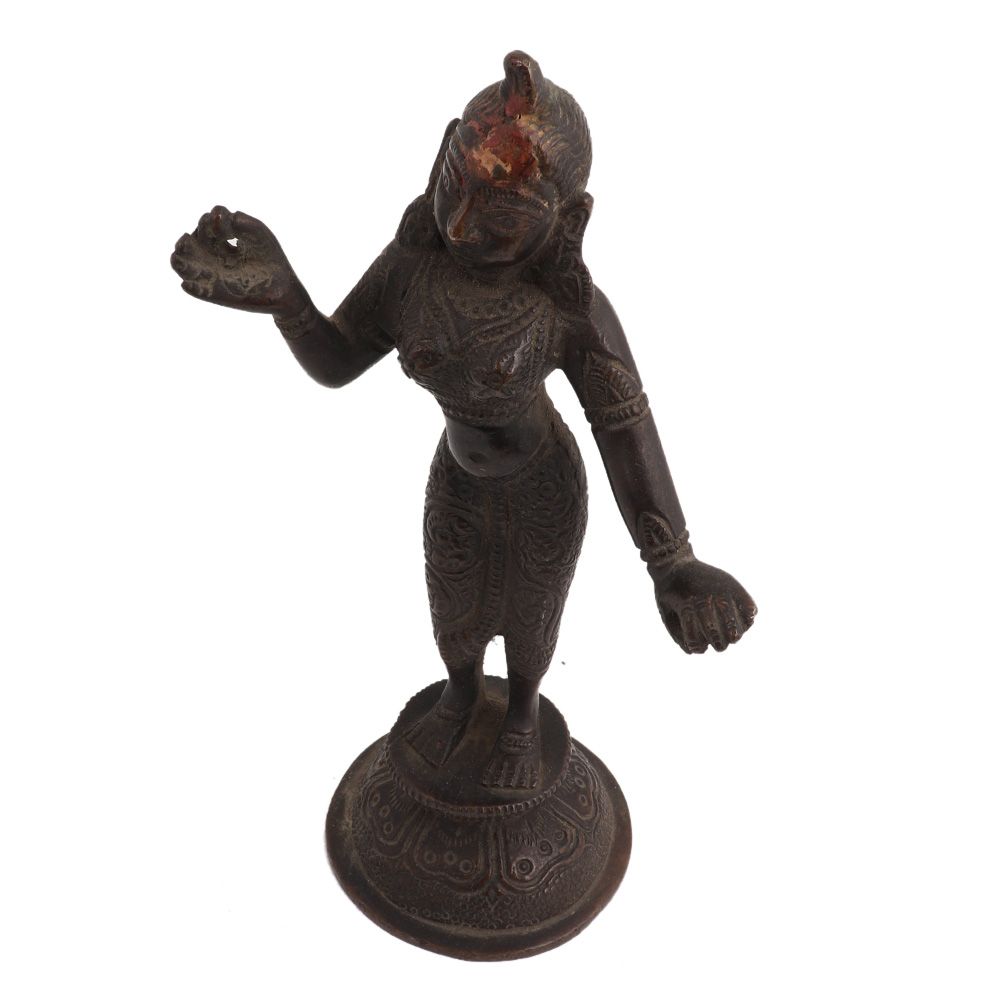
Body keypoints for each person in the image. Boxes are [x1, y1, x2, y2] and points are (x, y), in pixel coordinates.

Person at [170, 51, 756, 792]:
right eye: (456, 185)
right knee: (453, 610)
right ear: (442, 154)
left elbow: (625, 428)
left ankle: (522, 720)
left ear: (566, 220)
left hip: (544, 489)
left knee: (532, 621)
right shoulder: (411, 270)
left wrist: (672, 564)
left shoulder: (568, 310)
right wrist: (288, 300)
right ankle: (460, 696)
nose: (463, 224)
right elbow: (337, 361)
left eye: (504, 213)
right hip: (459, 478)